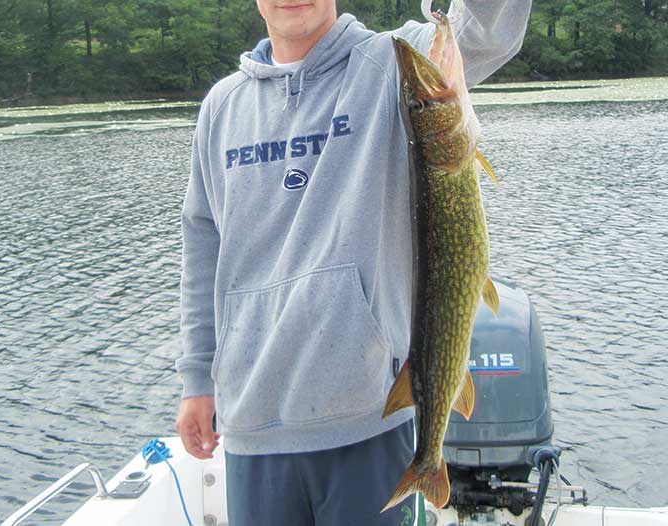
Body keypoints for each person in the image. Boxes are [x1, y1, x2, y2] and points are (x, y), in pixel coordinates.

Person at [174, 1, 531, 524]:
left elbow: (486, 30)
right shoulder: (221, 107)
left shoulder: (392, 62)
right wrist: (197, 380)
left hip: (368, 416)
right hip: (251, 424)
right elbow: (202, 253)